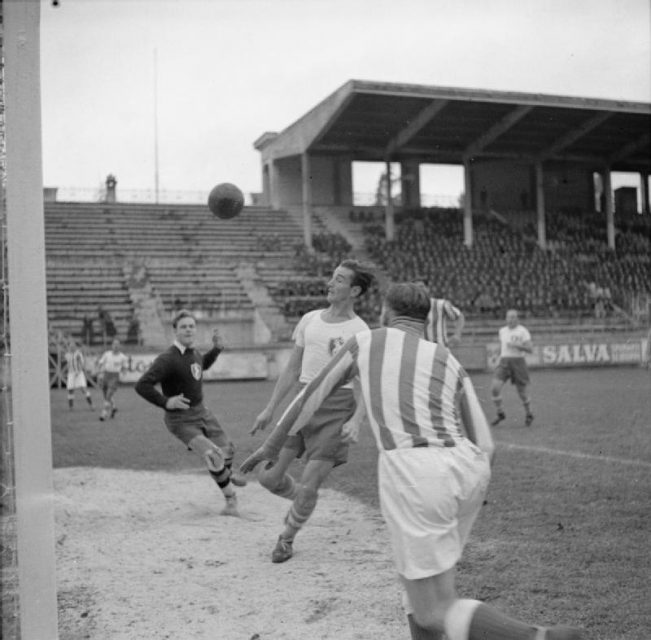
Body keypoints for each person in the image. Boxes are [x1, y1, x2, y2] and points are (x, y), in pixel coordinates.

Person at [241, 282, 583, 640]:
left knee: (433, 609)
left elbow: (311, 394)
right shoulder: (446, 358)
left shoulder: (367, 340)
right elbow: (486, 443)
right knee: (418, 594)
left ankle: (538, 637)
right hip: (469, 468)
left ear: (386, 312)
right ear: (425, 319)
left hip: (415, 471)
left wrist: (271, 445)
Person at [249, 259, 375, 563]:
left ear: (355, 290)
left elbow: (366, 383)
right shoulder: (309, 320)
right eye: (332, 278)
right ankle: (305, 500)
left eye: (340, 280)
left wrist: (357, 421)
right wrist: (269, 409)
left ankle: (286, 539)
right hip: (301, 407)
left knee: (309, 482)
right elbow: (292, 369)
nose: (331, 283)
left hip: (336, 410)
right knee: (268, 479)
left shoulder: (361, 331)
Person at [134, 310, 246, 516]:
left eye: (191, 326)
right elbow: (142, 385)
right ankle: (231, 500)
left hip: (202, 411)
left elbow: (200, 366)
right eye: (184, 326)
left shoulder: (193, 352)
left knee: (228, 449)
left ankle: (227, 474)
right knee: (213, 455)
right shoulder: (167, 359)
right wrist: (166, 401)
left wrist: (217, 350)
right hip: (180, 420)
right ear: (174, 331)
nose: (188, 329)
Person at [490, 309, 534, 427]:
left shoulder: (523, 331)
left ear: (517, 319)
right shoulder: (502, 331)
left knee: (522, 393)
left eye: (513, 317)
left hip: (518, 362)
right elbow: (502, 346)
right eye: (509, 317)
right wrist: (496, 355)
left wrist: (517, 345)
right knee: (495, 388)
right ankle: (500, 413)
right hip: (504, 362)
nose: (511, 319)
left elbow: (530, 349)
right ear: (506, 318)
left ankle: (529, 413)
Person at [97, 338, 129, 421]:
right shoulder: (107, 354)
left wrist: (123, 375)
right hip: (106, 375)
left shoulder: (123, 357)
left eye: (117, 344)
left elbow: (125, 368)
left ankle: (104, 414)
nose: (115, 346)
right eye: (114, 344)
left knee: (108, 395)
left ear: (119, 346)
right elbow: (100, 363)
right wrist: (100, 373)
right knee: (106, 395)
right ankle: (113, 407)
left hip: (115, 377)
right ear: (112, 345)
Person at [64, 340, 94, 410]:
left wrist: (79, 370)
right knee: (70, 390)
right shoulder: (67, 355)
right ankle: (71, 407)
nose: (71, 347)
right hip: (71, 374)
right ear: (69, 347)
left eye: (73, 346)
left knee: (83, 389)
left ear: (75, 347)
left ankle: (91, 405)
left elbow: (82, 363)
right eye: (70, 346)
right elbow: (68, 364)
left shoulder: (78, 354)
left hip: (79, 373)